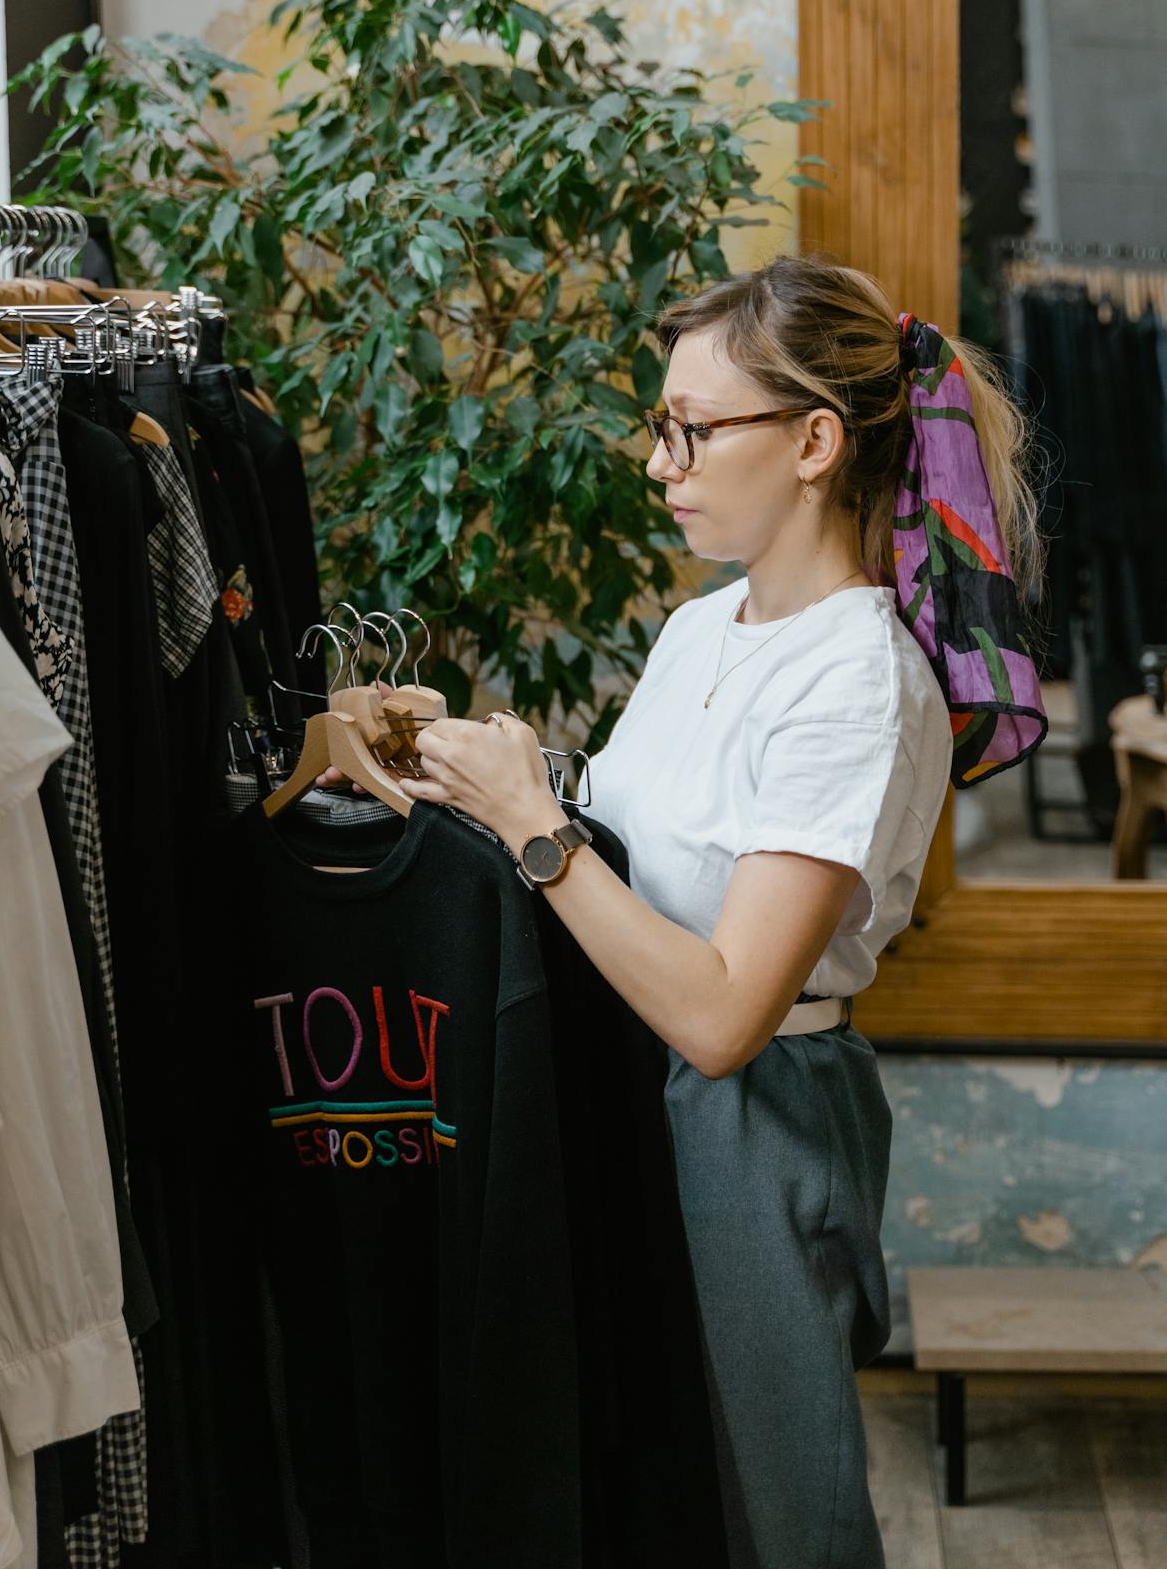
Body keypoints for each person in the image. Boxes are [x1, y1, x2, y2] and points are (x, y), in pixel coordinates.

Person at [388, 253, 1048, 1569]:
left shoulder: (859, 681)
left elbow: (723, 1013)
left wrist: (533, 825)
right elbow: (633, 856)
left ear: (812, 441)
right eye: (660, 427)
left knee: (771, 1511)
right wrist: (447, 767)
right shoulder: (707, 627)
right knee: (663, 1490)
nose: (660, 461)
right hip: (632, 1086)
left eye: (690, 429)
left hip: (750, 1124)